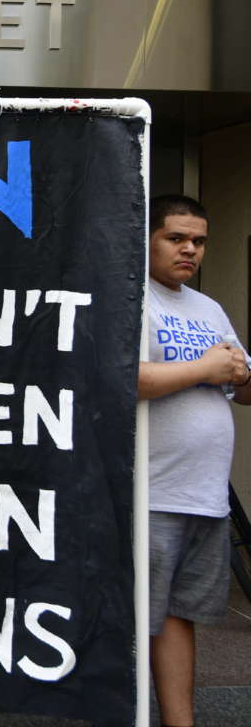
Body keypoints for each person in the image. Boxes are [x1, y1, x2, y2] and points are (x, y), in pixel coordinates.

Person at [138, 194, 251, 727]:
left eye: (199, 241)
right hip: (149, 492)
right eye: (176, 238)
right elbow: (128, 379)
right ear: (148, 238)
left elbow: (242, 384)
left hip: (203, 494)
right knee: (132, 619)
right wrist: (208, 368)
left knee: (179, 617)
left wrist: (238, 373)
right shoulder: (131, 296)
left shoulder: (208, 309)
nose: (189, 250)